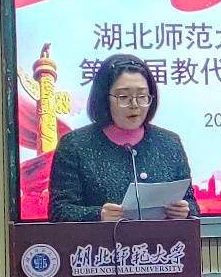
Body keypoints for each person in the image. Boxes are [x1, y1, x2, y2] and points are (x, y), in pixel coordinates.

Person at [48, 53, 199, 222]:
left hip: (161, 239)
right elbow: (59, 211)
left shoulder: (169, 143)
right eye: (124, 97)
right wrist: (98, 215)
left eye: (142, 96)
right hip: (100, 239)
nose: (134, 105)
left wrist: (184, 210)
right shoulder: (75, 145)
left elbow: (191, 203)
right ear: (104, 98)